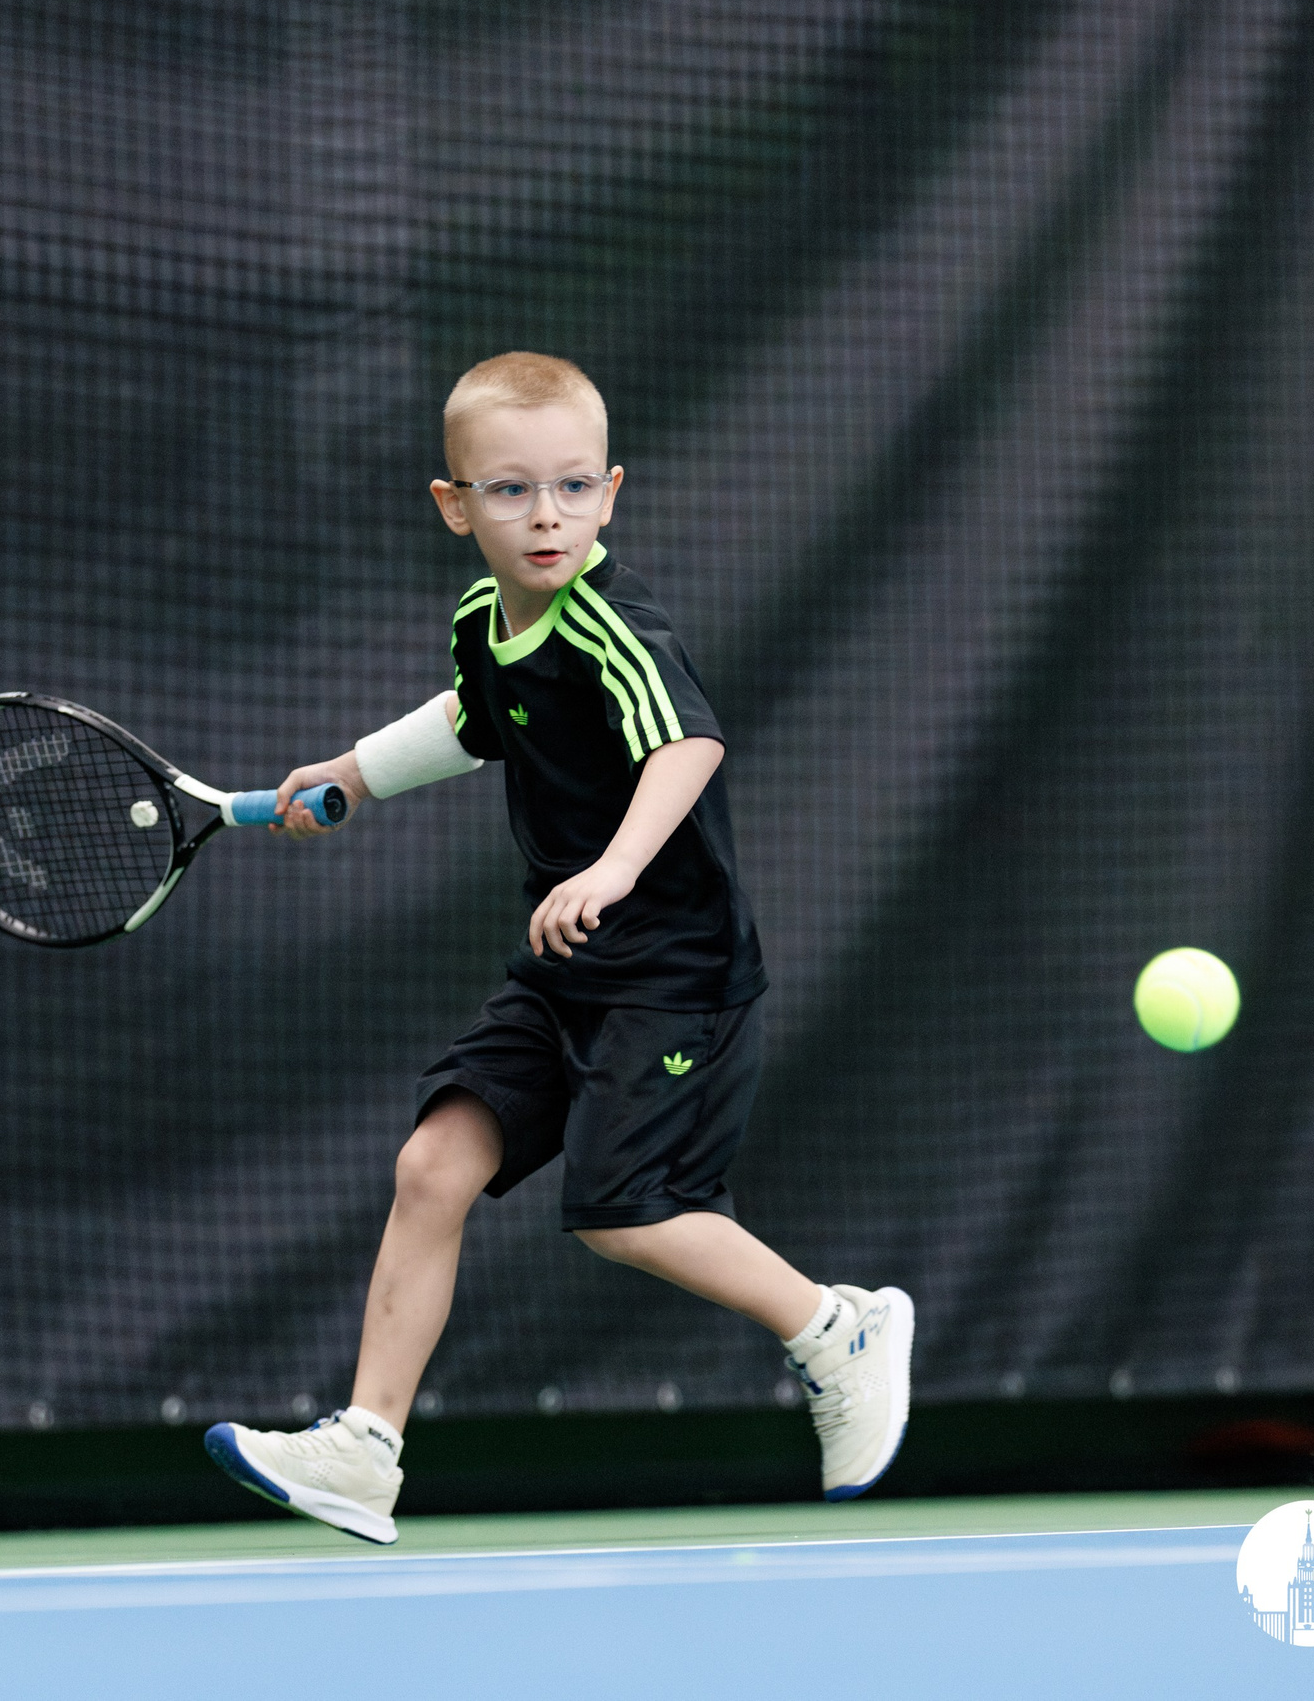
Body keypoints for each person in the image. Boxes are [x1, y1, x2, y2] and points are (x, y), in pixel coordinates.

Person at [203, 353, 912, 1544]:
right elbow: (473, 717)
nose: (545, 517)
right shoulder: (485, 617)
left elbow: (685, 746)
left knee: (623, 1208)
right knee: (433, 1164)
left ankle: (836, 1329)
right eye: (511, 491)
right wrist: (354, 774)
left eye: (574, 488)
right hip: (569, 968)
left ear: (611, 492)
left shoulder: (613, 626)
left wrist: (615, 866)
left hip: (675, 976)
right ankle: (366, 1450)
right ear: (455, 503)